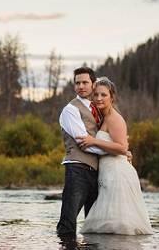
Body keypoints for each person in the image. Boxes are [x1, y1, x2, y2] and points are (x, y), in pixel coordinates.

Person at [78, 77, 153, 235]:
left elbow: (121, 146)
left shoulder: (114, 118)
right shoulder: (102, 118)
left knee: (119, 225)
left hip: (117, 173)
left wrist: (94, 141)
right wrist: (124, 151)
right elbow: (120, 146)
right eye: (96, 95)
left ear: (111, 97)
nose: (99, 98)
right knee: (106, 225)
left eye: (103, 95)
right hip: (107, 172)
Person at [56, 67, 107, 236]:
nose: (81, 86)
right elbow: (84, 142)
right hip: (77, 170)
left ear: (94, 84)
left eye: (85, 82)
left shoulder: (97, 109)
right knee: (68, 224)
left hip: (96, 173)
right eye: (77, 83)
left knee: (93, 225)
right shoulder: (71, 110)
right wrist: (115, 152)